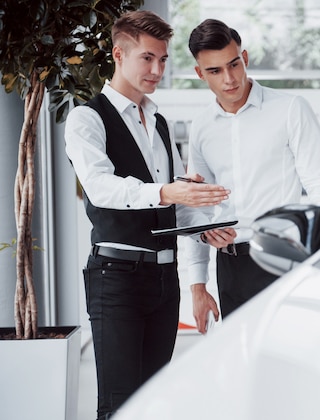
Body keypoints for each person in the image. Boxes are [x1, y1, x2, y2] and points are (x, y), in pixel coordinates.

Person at [64, 10, 226, 420]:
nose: (157, 69)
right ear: (119, 54)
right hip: (116, 278)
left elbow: (172, 202)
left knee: (154, 403)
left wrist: (204, 229)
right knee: (119, 406)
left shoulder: (159, 122)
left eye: (163, 60)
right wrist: (166, 190)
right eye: (147, 58)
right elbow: (101, 187)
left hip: (163, 281)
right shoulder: (87, 118)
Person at [184, 18, 320, 330]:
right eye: (215, 71)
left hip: (282, 259)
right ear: (200, 74)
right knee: (243, 367)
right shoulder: (201, 127)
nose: (229, 78)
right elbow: (196, 208)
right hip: (229, 266)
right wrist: (198, 286)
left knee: (288, 361)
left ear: (245, 58)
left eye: (234, 64)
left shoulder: (291, 108)